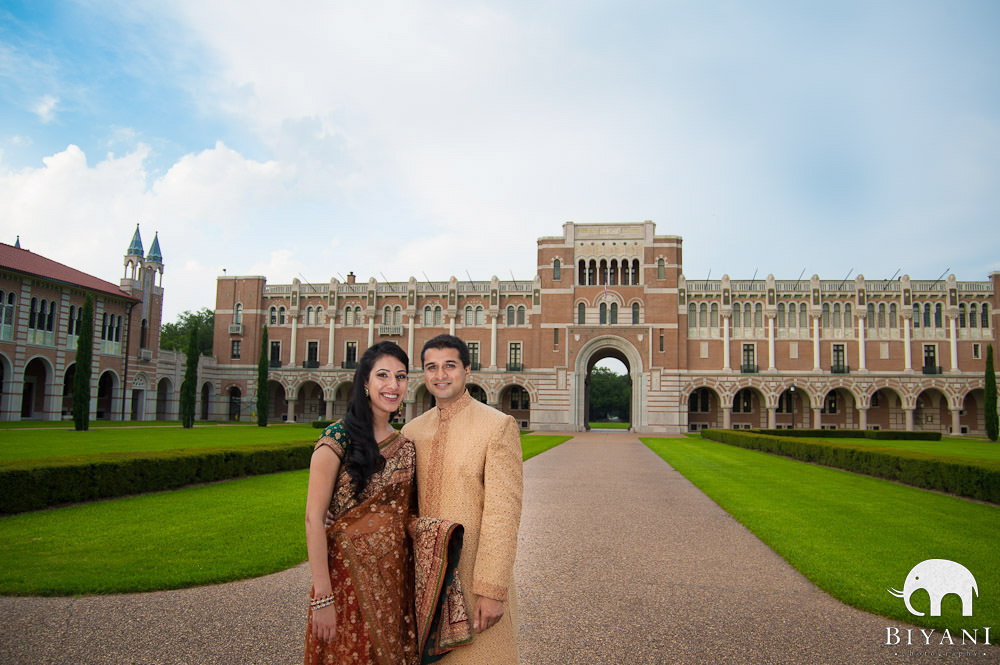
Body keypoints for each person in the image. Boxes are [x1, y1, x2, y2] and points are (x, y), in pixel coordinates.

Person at [303, 342, 471, 665]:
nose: (392, 386)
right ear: (365, 382)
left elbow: (407, 514)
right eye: (383, 375)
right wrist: (322, 598)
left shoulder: (406, 445)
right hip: (343, 582)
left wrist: (437, 534)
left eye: (401, 376)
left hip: (394, 585)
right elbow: (314, 519)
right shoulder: (337, 439)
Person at [403, 334, 524, 664]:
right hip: (423, 581)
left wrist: (492, 589)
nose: (440, 375)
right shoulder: (411, 432)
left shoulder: (497, 426)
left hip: (473, 579)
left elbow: (503, 512)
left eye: (449, 366)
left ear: (467, 370)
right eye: (432, 367)